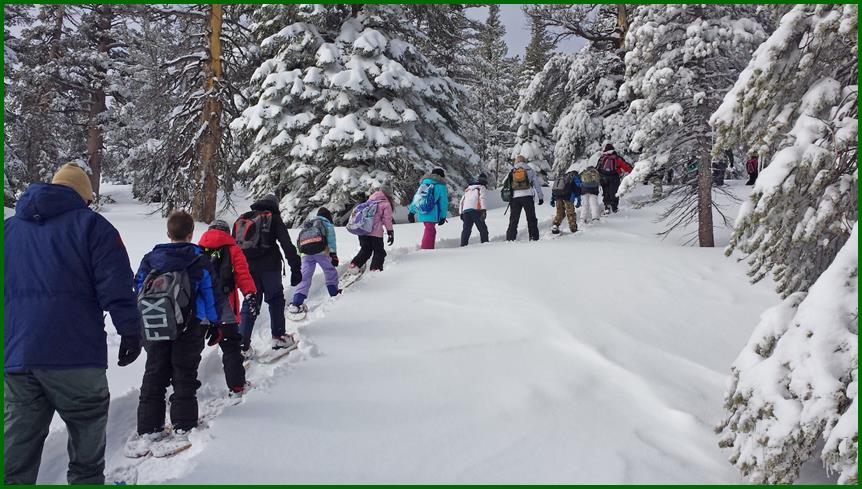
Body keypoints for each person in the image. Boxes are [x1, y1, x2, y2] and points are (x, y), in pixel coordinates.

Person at [4, 163, 142, 484]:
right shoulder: (93, 227)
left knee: (15, 460)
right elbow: (116, 284)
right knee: (87, 452)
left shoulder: (8, 231)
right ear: (84, 196)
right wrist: (130, 331)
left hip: (16, 358)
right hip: (76, 356)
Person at [130, 210, 222, 450]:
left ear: (168, 233)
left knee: (154, 372)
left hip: (155, 322)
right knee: (184, 371)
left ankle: (149, 429)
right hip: (191, 325)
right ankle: (183, 424)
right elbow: (210, 293)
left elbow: (138, 289)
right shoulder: (199, 259)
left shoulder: (151, 258)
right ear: (191, 234)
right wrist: (215, 322)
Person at [198, 220, 259, 397]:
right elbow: (242, 274)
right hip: (225, 307)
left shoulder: (197, 250)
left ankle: (182, 391)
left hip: (201, 307)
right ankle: (237, 386)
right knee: (231, 346)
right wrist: (250, 294)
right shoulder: (233, 249)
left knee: (192, 349)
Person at [235, 194, 302, 354]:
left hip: (248, 268)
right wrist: (295, 268)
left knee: (250, 302)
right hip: (270, 267)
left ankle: (242, 346)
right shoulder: (274, 218)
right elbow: (286, 244)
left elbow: (235, 248)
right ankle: (278, 338)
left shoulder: (243, 219)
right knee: (275, 299)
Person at [289, 208, 340, 316]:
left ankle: (296, 302)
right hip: (321, 252)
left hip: (306, 254)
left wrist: (299, 255)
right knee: (329, 271)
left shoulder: (309, 224)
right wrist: (333, 255)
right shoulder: (326, 224)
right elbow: (331, 241)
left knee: (305, 276)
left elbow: (299, 240)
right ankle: (334, 293)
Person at [348, 189, 395, 272]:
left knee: (365, 249)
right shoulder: (385, 204)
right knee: (379, 252)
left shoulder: (369, 201)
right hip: (376, 233)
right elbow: (387, 219)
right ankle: (375, 269)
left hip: (363, 231)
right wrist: (390, 232)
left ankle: (354, 265)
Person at [407, 168, 449, 250]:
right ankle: (426, 250)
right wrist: (443, 216)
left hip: (422, 210)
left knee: (430, 230)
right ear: (441, 176)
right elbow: (443, 203)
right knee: (430, 231)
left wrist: (411, 212)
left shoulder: (424, 183)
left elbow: (417, 199)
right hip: (432, 212)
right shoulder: (440, 186)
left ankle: (428, 248)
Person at [505, 155, 544, 241]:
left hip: (515, 198)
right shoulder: (530, 169)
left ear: (517, 161)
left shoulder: (512, 170)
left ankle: (510, 238)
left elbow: (508, 185)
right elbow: (536, 184)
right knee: (531, 218)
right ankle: (534, 237)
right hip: (527, 196)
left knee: (514, 219)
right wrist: (540, 197)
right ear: (524, 161)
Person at [596, 143, 633, 213]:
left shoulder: (602, 158)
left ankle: (607, 206)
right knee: (614, 192)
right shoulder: (617, 158)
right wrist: (633, 171)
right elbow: (625, 166)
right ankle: (614, 208)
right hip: (614, 177)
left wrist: (599, 177)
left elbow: (597, 168)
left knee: (606, 192)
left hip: (604, 178)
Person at [458, 173, 489, 246]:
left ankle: (463, 245)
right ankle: (485, 245)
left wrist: (461, 213)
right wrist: (484, 210)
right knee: (483, 229)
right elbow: (482, 198)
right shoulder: (481, 187)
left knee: (466, 230)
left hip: (466, 211)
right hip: (476, 210)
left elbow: (462, 201)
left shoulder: (468, 189)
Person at [550, 168, 582, 234]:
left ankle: (555, 225)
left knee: (560, 213)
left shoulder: (562, 177)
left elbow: (555, 189)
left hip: (558, 197)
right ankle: (573, 229)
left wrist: (553, 199)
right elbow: (577, 189)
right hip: (568, 198)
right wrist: (579, 200)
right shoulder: (574, 177)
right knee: (570, 213)